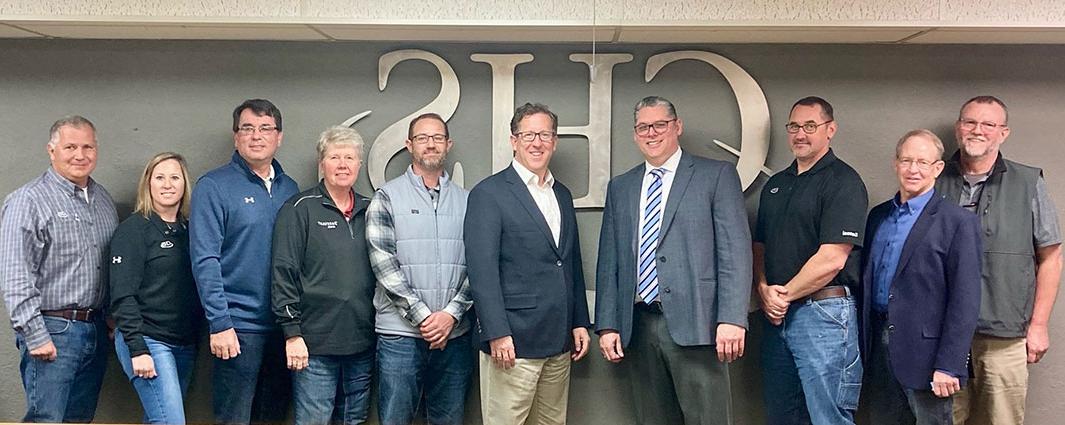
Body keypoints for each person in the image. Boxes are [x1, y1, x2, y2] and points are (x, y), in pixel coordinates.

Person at [594, 96, 752, 425]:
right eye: (643, 127)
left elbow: (734, 252)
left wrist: (732, 318)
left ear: (677, 127)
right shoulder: (621, 188)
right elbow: (610, 261)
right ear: (635, 134)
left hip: (700, 324)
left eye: (659, 125)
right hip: (638, 326)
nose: (651, 133)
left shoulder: (716, 176)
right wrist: (608, 324)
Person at [935, 96, 1063, 425]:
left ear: (1003, 133)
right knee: (944, 419)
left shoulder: (1028, 182)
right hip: (941, 333)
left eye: (988, 124)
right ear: (958, 128)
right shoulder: (933, 180)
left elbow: (1051, 258)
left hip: (1004, 335)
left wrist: (1038, 326)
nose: (978, 131)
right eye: (970, 122)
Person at [464, 103, 591, 425]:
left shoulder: (560, 194)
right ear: (514, 140)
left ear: (555, 141)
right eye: (529, 134)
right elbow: (482, 271)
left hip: (559, 338)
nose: (537, 142)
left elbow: (570, 261)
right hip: (512, 341)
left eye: (545, 134)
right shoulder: (489, 193)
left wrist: (579, 321)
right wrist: (496, 332)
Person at [754, 96, 868, 425]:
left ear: (830, 130)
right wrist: (763, 289)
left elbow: (832, 258)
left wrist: (783, 295)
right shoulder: (776, 184)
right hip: (777, 319)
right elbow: (760, 246)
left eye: (809, 126)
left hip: (824, 318)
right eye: (794, 126)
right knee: (782, 416)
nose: (800, 134)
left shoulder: (843, 182)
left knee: (828, 417)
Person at [0, 115, 119, 422]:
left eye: (87, 147)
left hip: (94, 330)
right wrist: (35, 335)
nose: (80, 155)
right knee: (47, 420)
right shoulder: (28, 200)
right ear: (51, 151)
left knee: (80, 420)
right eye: (70, 147)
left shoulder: (103, 200)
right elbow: (16, 276)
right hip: (53, 332)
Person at [859, 130, 982, 425]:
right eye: (907, 160)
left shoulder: (958, 222)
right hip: (877, 347)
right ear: (895, 164)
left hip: (928, 357)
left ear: (937, 168)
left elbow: (966, 300)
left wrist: (950, 365)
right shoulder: (877, 217)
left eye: (923, 163)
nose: (913, 169)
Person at [190, 98, 299, 423]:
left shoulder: (289, 188)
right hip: (237, 328)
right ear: (236, 136)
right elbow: (204, 259)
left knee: (272, 416)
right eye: (247, 129)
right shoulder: (214, 186)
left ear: (279, 137)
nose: (256, 136)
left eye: (265, 129)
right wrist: (220, 323)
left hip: (281, 328)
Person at [367, 113, 473, 425]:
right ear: (409, 144)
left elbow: (478, 266)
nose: (430, 144)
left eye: (437, 138)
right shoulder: (386, 197)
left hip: (454, 337)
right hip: (399, 336)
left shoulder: (468, 201)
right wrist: (425, 319)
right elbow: (383, 263)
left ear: (448, 144)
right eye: (423, 138)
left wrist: (450, 315)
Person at [271, 126, 376, 424]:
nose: (342, 164)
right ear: (322, 164)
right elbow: (283, 272)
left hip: (362, 343)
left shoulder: (372, 209)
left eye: (349, 157)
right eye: (334, 157)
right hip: (313, 345)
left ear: (359, 164)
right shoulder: (299, 209)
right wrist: (292, 334)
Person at [110, 152, 203, 424]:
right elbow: (122, 294)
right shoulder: (134, 230)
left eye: (175, 177)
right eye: (159, 177)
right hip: (149, 341)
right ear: (148, 184)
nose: (167, 184)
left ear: (185, 184)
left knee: (158, 419)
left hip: (184, 344)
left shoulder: (190, 230)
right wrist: (138, 349)